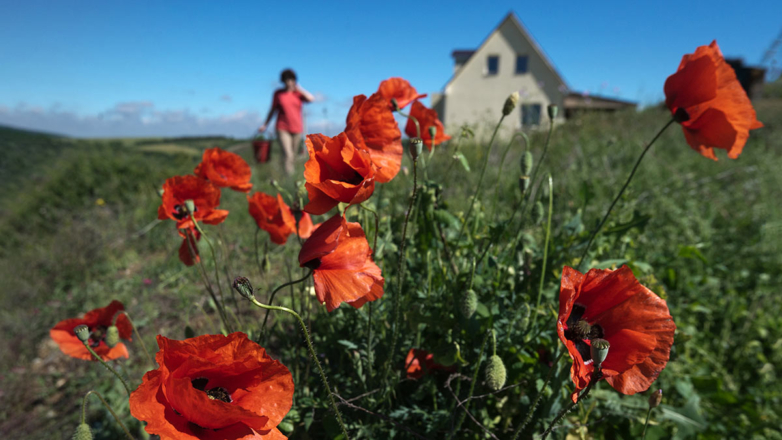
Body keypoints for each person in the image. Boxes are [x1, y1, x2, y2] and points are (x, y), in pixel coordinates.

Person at [259, 69, 314, 175]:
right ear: (283, 81)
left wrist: (300, 89)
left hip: (297, 128)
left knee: (293, 155)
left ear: (294, 81)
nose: (289, 82)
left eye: (291, 80)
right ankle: (289, 178)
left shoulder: (298, 94)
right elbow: (272, 110)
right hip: (282, 127)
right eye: (286, 80)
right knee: (288, 154)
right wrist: (265, 124)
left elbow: (311, 99)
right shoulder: (278, 94)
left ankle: (284, 174)